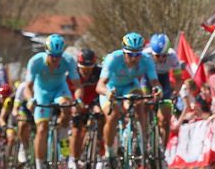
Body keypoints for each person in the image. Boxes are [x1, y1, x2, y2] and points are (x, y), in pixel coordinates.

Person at [96, 32, 161, 166]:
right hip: (111, 88)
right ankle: (109, 152)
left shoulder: (146, 59)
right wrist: (107, 93)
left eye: (138, 54)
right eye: (130, 54)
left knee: (139, 104)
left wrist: (157, 89)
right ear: (123, 52)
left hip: (130, 86)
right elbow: (100, 85)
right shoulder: (113, 58)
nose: (134, 58)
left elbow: (155, 82)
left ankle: (143, 146)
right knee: (113, 115)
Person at [24, 34, 83, 169]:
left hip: (59, 90)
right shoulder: (36, 61)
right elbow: (28, 87)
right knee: (42, 128)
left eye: (58, 56)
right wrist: (30, 100)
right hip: (42, 93)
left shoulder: (68, 60)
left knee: (67, 106)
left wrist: (78, 100)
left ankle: (63, 139)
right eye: (52, 56)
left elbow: (78, 86)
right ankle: (39, 165)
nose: (56, 59)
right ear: (46, 52)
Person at [143, 33, 184, 146]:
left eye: (164, 55)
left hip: (163, 80)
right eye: (157, 56)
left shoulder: (172, 56)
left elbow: (179, 79)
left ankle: (162, 153)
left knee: (165, 120)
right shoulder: (145, 55)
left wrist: (175, 93)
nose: (161, 59)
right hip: (147, 80)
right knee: (144, 105)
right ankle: (143, 132)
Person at [68, 49, 103, 169]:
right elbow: (66, 92)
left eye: (90, 67)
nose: (87, 70)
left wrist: (98, 105)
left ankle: (99, 155)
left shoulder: (99, 72)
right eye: (83, 67)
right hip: (77, 102)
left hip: (94, 102)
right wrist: (73, 105)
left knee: (100, 119)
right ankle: (73, 159)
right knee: (77, 129)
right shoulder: (72, 74)